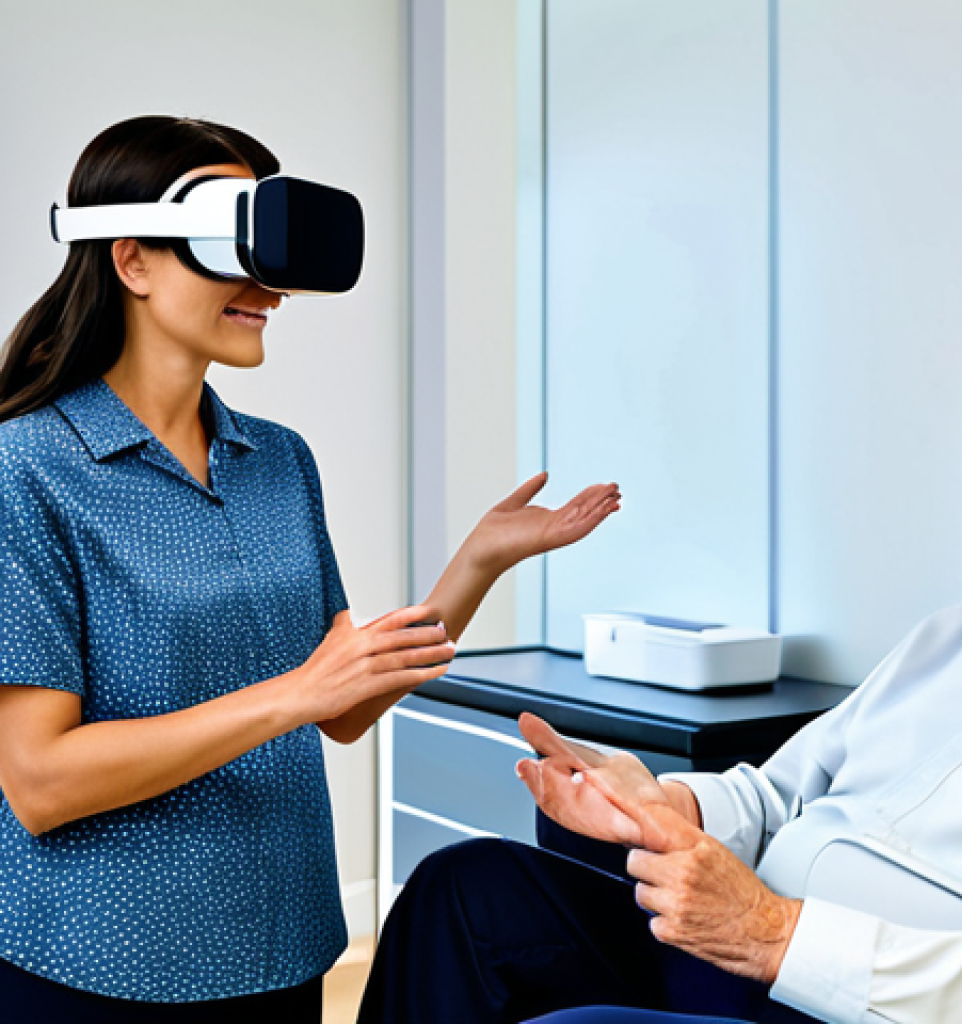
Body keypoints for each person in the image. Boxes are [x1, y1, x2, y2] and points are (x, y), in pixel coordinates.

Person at [0, 115, 620, 1023]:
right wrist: (292, 694)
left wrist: (478, 563)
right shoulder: (27, 470)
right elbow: (41, 782)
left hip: (283, 942)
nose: (271, 290)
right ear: (131, 261)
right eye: (233, 244)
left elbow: (344, 706)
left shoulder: (278, 460)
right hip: (103, 963)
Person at [357, 374, 962, 1024]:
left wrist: (775, 934)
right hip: (741, 956)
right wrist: (661, 804)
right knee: (466, 889)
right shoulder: (949, 639)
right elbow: (776, 796)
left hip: (845, 997)